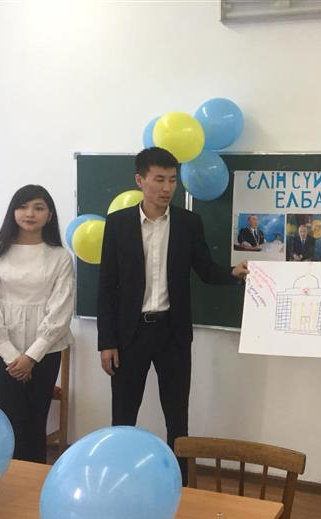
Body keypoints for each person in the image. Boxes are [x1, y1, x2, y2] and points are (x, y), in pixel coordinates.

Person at [97, 147, 248, 481]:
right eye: (159, 180)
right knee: (123, 414)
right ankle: (118, 479)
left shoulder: (188, 223)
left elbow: (205, 269)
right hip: (129, 334)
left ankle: (181, 483)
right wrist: (106, 341)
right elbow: (106, 286)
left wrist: (232, 273)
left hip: (172, 333)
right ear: (140, 180)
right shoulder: (118, 224)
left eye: (172, 180)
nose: (167, 188)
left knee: (177, 416)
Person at [0, 184, 74, 464]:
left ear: (49, 215)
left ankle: (34, 480)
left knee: (35, 420)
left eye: (38, 208)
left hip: (46, 350)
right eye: (23, 206)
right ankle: (8, 478)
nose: (30, 214)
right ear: (13, 211)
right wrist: (10, 354)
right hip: (1, 350)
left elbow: (61, 309)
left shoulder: (59, 256)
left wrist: (31, 356)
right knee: (9, 419)